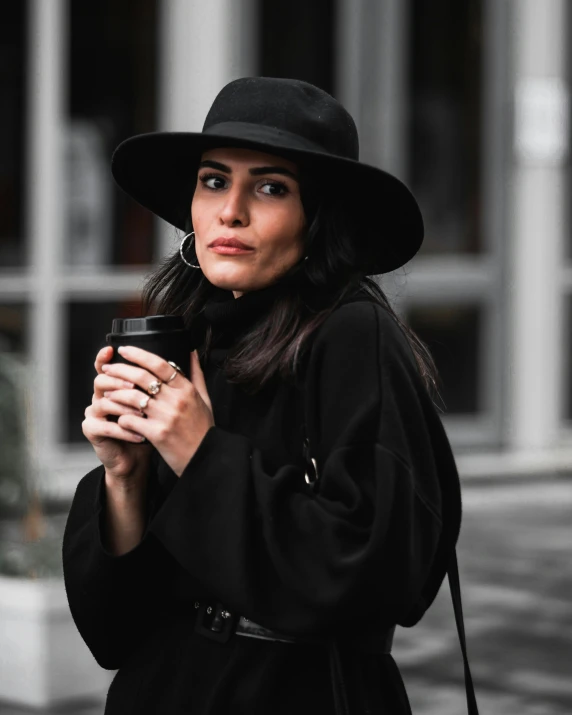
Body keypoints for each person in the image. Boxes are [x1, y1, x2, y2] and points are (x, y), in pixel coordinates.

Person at [62, 77, 478, 715]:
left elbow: (378, 571)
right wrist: (125, 478)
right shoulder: (191, 336)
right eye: (213, 181)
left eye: (270, 187)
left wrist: (200, 452)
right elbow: (110, 630)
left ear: (317, 217)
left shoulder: (351, 334)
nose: (231, 211)